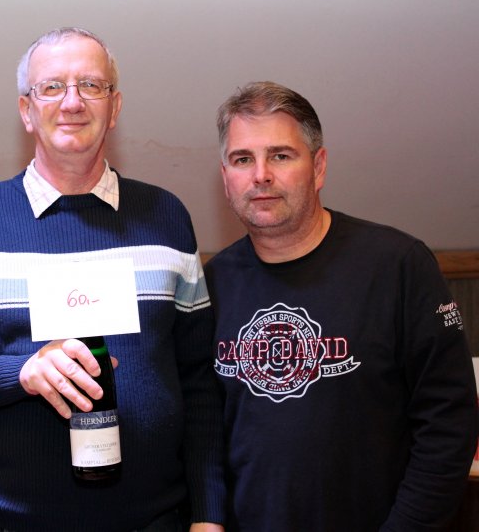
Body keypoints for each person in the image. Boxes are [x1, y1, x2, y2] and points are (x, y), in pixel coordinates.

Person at [0, 28, 225, 532]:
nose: (73, 102)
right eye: (52, 87)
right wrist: (23, 372)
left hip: (154, 520)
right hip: (9, 524)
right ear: (26, 110)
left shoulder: (166, 217)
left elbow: (200, 382)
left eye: (91, 85)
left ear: (115, 107)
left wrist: (209, 515)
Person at [205, 80, 478, 531]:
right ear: (225, 178)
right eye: (242, 159)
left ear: (319, 167)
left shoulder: (398, 265)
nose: (261, 175)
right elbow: (205, 432)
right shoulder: (212, 283)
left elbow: (449, 424)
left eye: (281, 155)